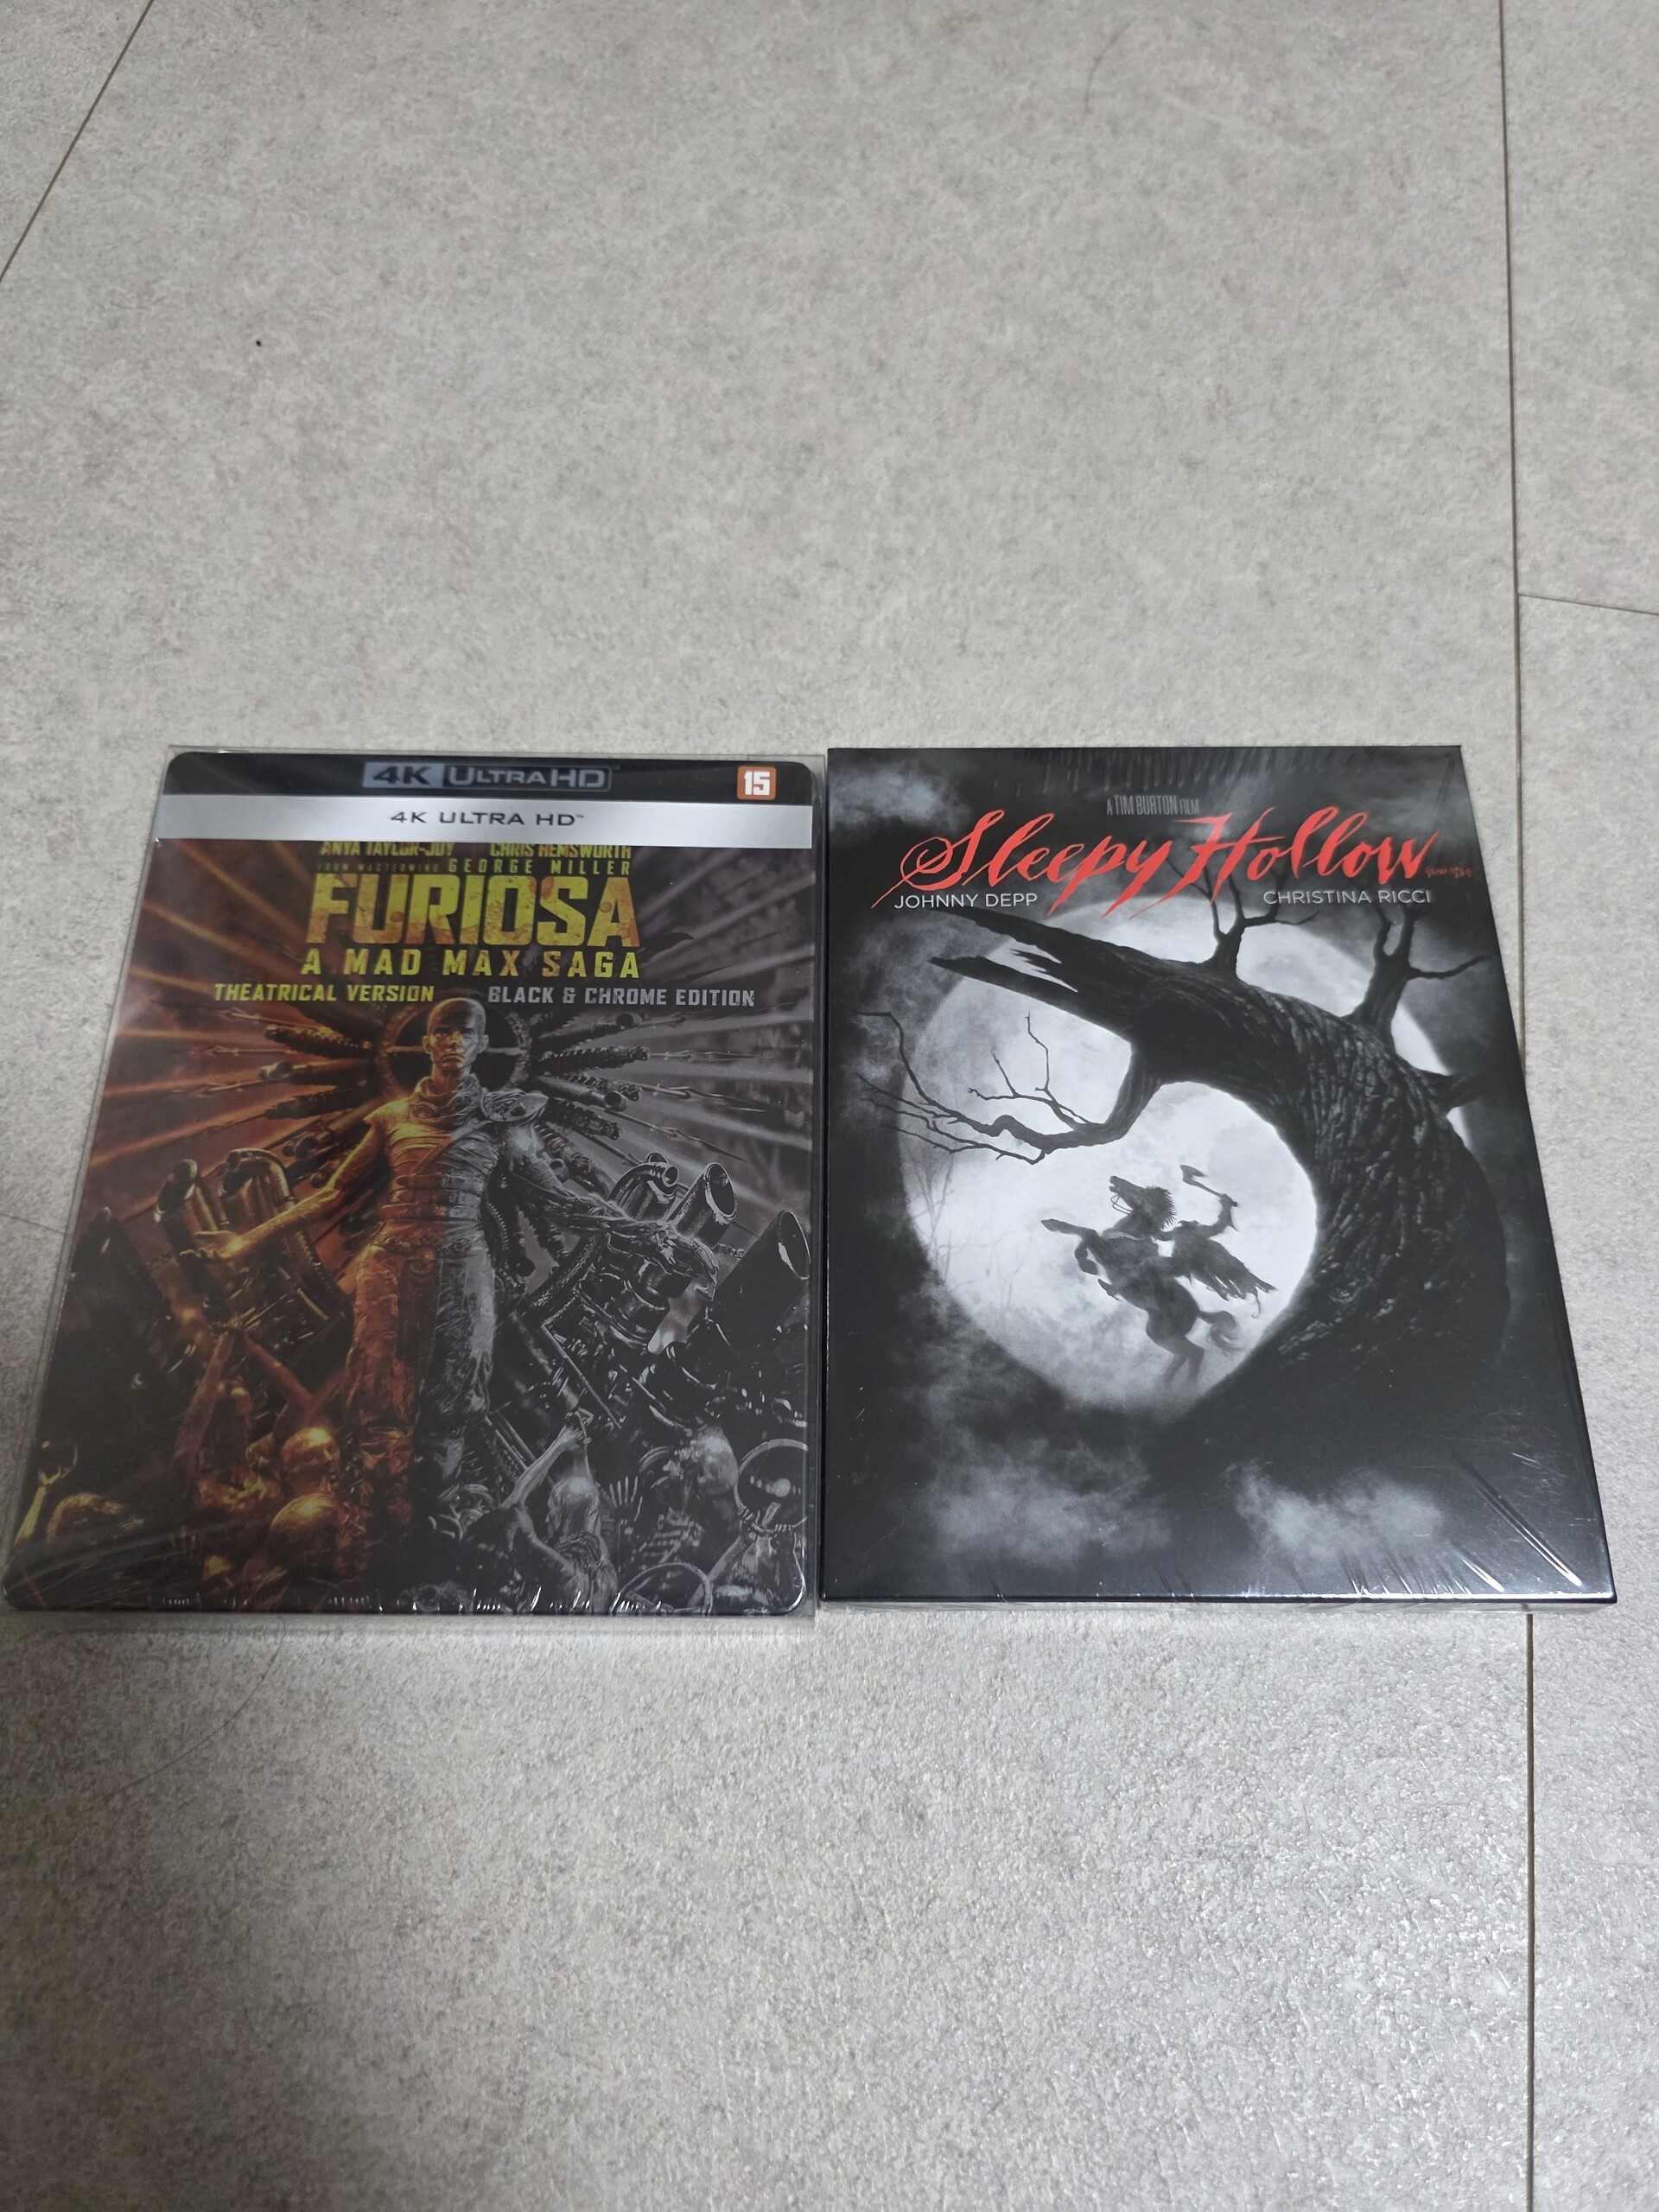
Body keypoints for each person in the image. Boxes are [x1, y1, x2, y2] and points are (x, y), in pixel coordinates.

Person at [194, 998, 705, 1541]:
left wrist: (650, 1233)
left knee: (456, 1396)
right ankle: (376, 1520)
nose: (455, 1044)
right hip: (391, 1260)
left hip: (462, 1260)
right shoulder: (393, 1119)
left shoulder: (504, 1120)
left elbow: (559, 1200)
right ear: (429, 1043)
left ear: (481, 1045)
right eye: (445, 1033)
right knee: (376, 1394)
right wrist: (244, 1242)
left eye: (467, 1035)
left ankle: (436, 1522)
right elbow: (332, 1193)